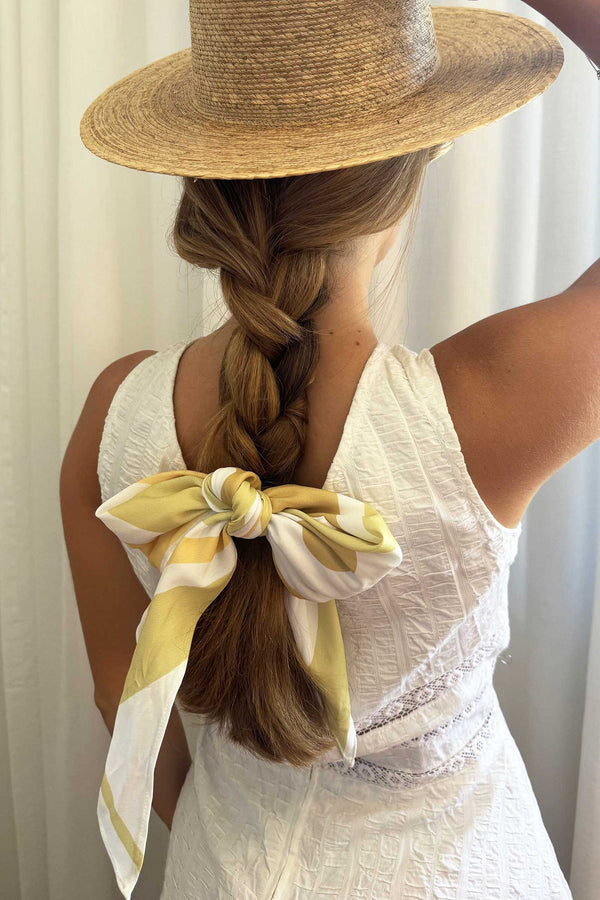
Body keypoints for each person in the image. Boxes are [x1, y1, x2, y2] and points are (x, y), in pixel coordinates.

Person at [60, 1, 599, 897]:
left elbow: (121, 695)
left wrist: (231, 832)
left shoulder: (115, 411)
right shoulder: (493, 402)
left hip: (220, 868)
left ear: (206, 177)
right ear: (410, 169)